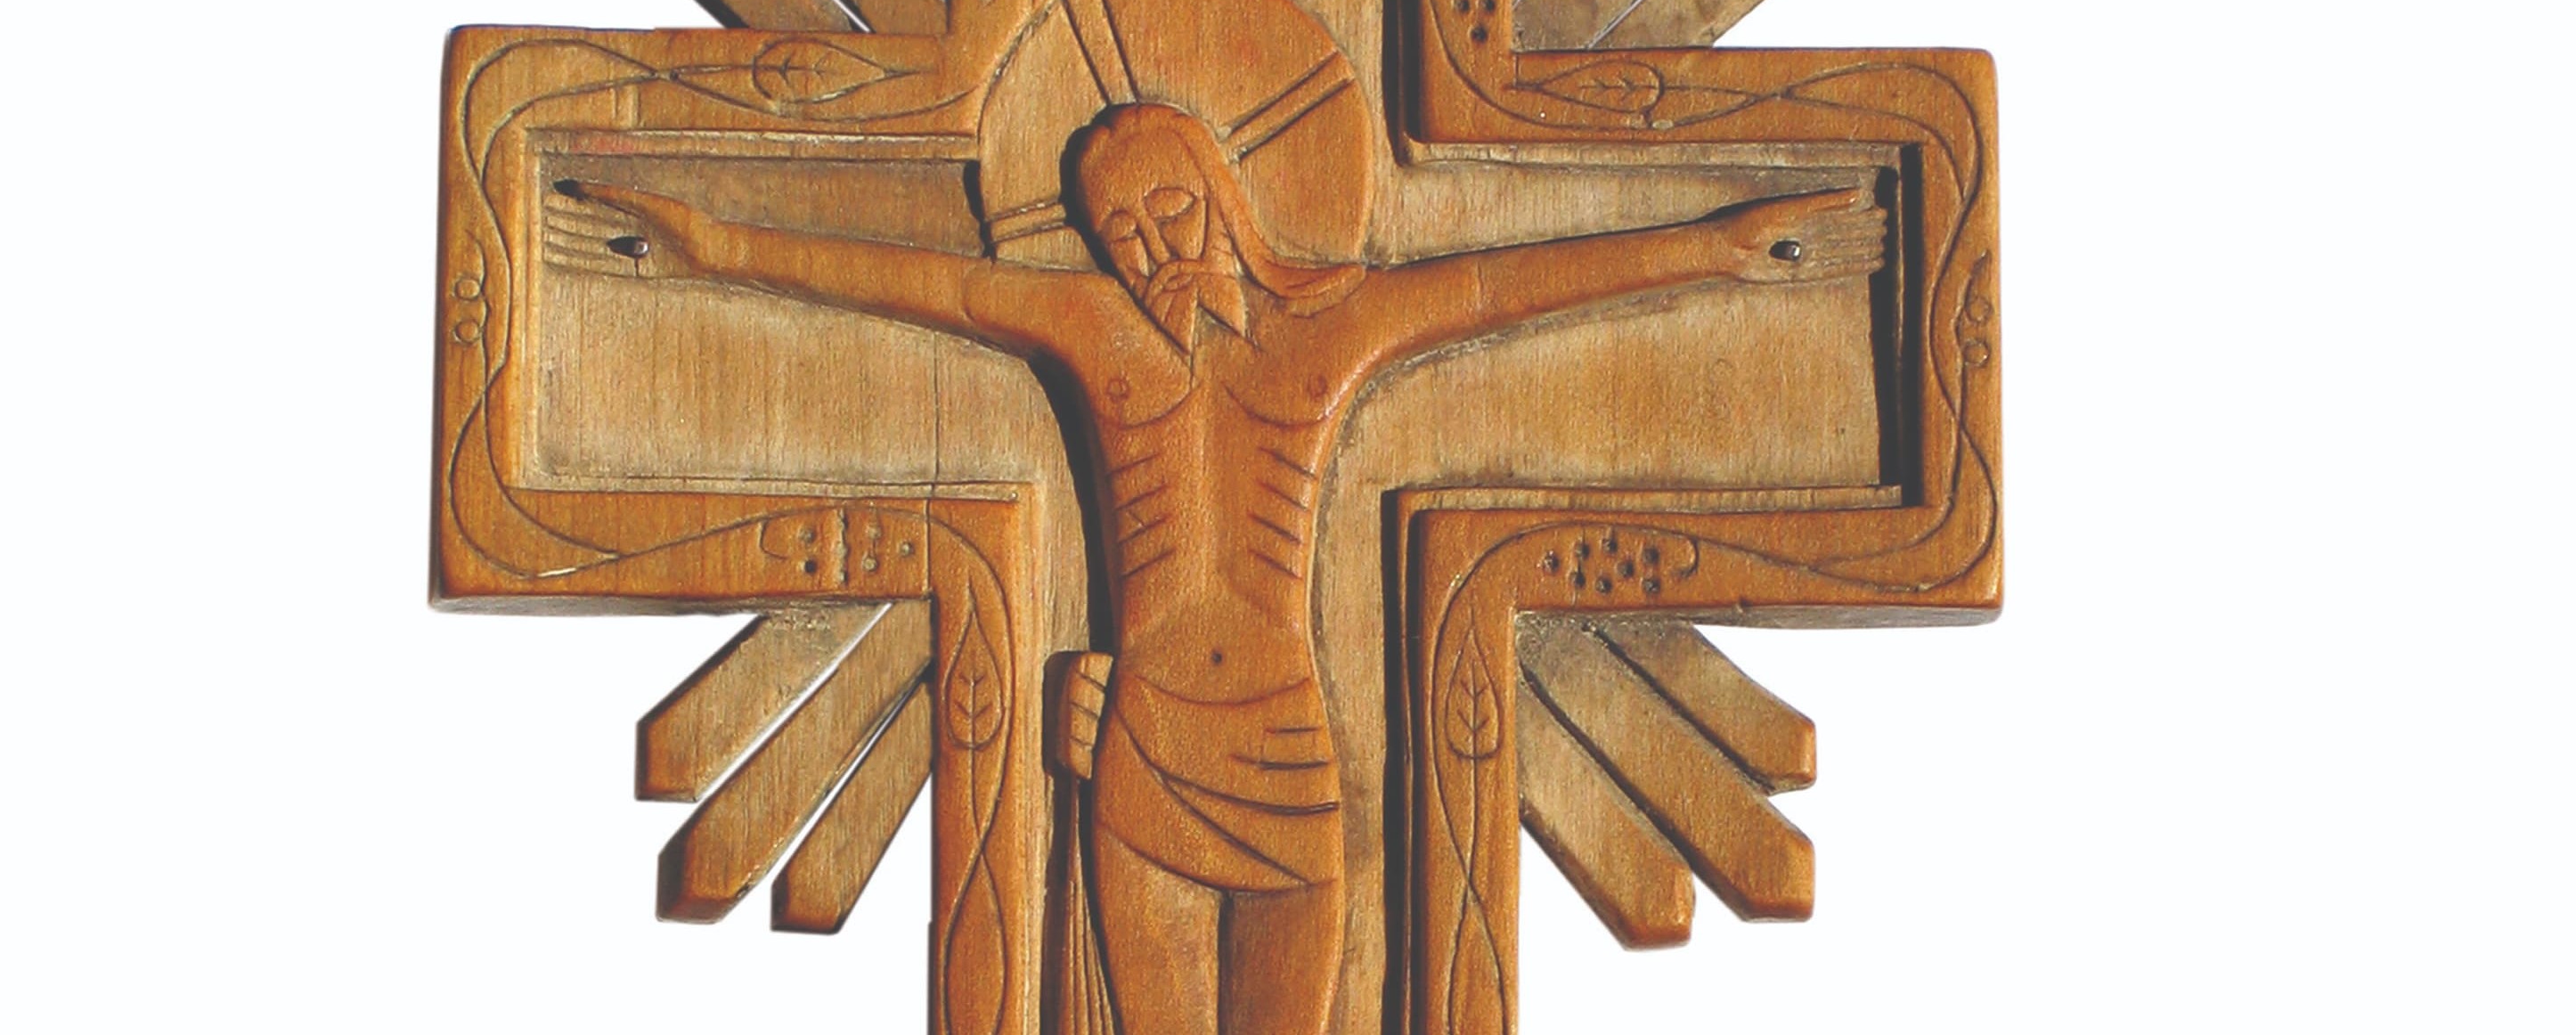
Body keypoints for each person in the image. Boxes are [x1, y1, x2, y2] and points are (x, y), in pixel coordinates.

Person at [561, 102, 1882, 1035]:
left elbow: (1497, 290)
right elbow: (922, 288)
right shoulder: (1089, 329)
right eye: (1120, 229)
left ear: (1223, 191)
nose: (1153, 248)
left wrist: (1711, 248)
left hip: (1287, 751)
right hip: (1143, 750)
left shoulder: (1331, 325)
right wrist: (720, 248)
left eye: (1171, 208)